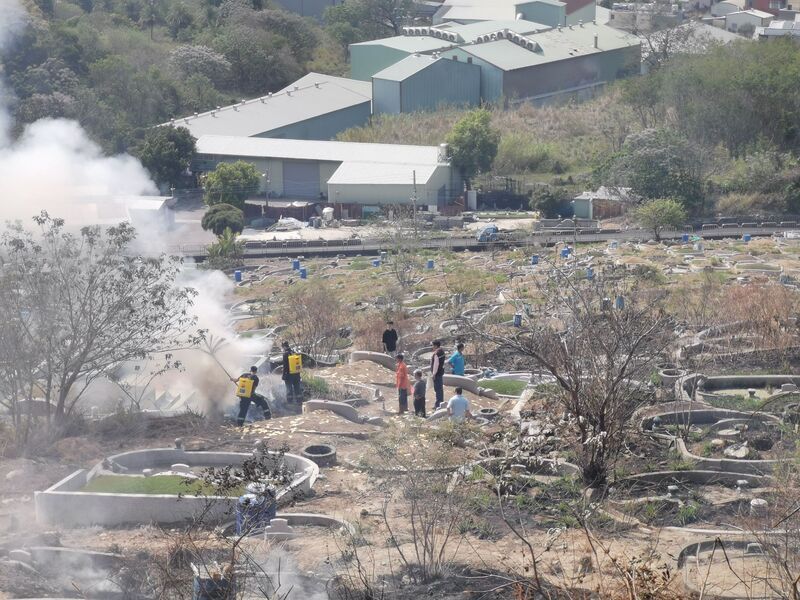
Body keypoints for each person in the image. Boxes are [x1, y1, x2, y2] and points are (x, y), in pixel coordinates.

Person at [430, 339, 446, 409]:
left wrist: (433, 374)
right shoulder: (442, 351)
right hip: (440, 372)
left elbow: (436, 365)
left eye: (432, 345)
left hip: (437, 373)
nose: (432, 347)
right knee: (440, 389)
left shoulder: (436, 354)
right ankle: (441, 403)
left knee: (437, 389)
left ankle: (438, 405)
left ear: (436, 345)